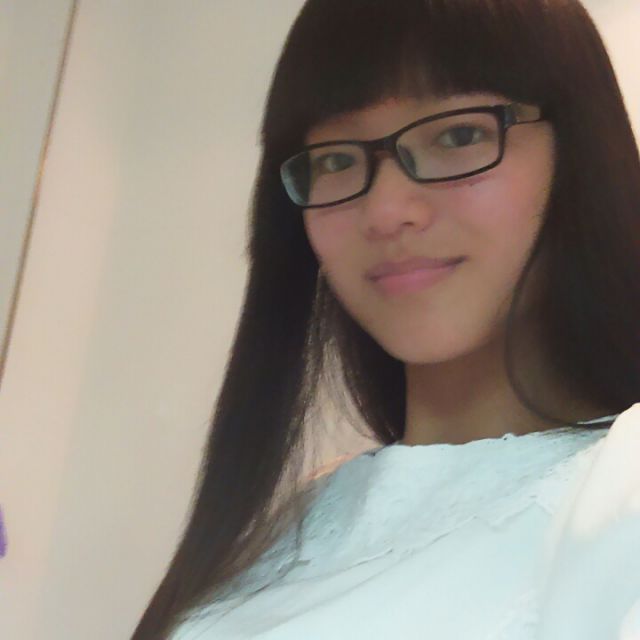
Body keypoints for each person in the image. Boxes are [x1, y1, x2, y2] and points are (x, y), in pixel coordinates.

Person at [131, 0, 640, 638]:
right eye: (337, 159)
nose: (386, 210)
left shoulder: (618, 493)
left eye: (458, 136)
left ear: (581, 152)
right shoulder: (290, 527)